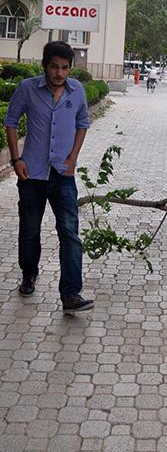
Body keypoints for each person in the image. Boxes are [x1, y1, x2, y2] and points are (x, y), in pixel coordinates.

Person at [4, 41, 94, 314]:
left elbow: (82, 124)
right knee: (30, 230)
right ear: (45, 65)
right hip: (31, 173)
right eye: (54, 67)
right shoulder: (28, 88)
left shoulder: (77, 91)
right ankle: (29, 275)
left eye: (65, 68)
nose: (59, 73)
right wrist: (16, 159)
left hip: (63, 175)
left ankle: (70, 294)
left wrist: (73, 158)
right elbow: (10, 120)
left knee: (70, 233)